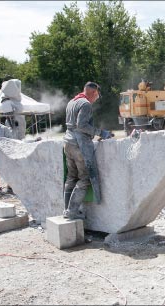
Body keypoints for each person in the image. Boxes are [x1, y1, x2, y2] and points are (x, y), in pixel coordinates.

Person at [63, 82, 112, 220]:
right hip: (79, 144)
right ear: (93, 92)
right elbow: (82, 125)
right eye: (97, 94)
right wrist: (101, 133)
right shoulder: (85, 104)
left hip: (67, 142)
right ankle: (72, 212)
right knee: (84, 178)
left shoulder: (72, 102)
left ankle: (66, 209)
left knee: (71, 177)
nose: (97, 97)